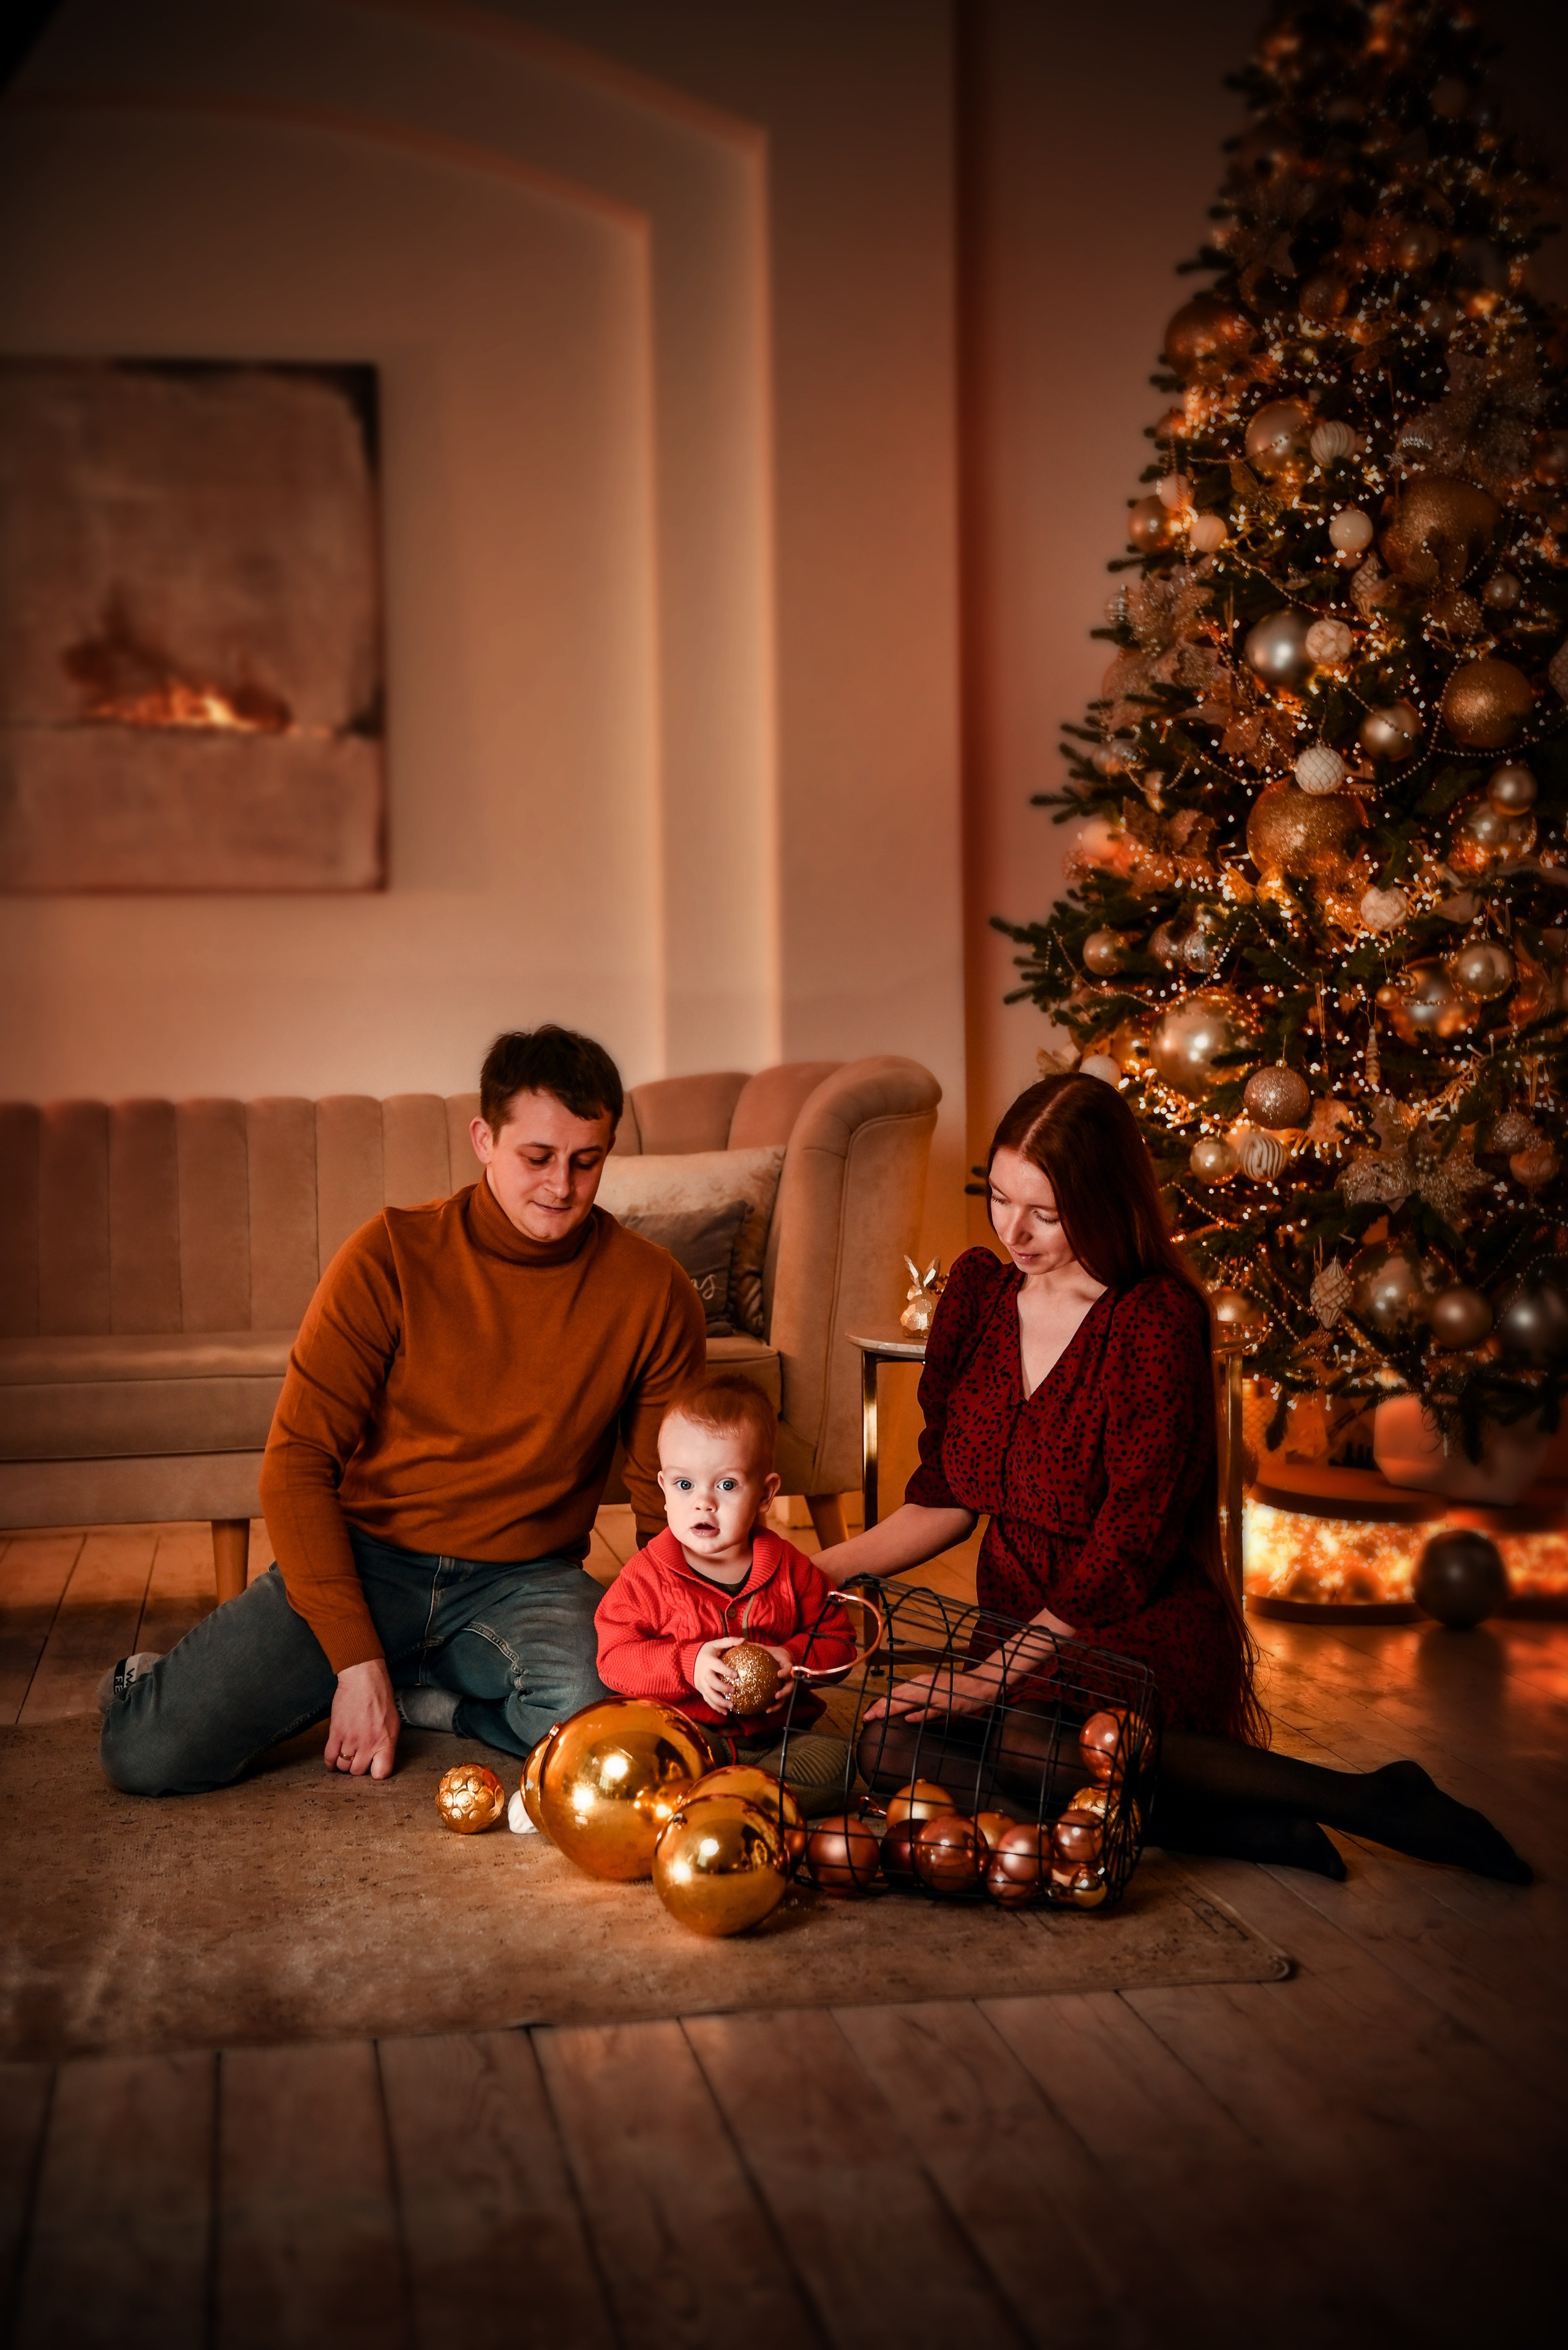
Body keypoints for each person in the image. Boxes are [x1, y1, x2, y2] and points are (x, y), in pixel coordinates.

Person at [827, 1074, 1531, 1885]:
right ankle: (1241, 1827)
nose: (1014, 1231)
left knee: (1024, 1746)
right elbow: (947, 1496)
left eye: (1045, 1214)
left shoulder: (1153, 1320)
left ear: (1101, 1202)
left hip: (1134, 1626)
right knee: (882, 1744)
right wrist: (817, 1570)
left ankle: (1365, 1798)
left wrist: (986, 1678)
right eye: (1000, 1198)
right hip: (1017, 1626)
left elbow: (1130, 1546)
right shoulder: (978, 1298)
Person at [98, 1025, 706, 1795]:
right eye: (538, 1158)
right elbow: (297, 1465)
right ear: (484, 1139)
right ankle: (160, 1681)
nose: (562, 1185)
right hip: (369, 1561)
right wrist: (354, 1660)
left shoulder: (654, 1291)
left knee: (614, 1717)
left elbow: (666, 1483)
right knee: (148, 1756)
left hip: (525, 1584)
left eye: (587, 1162)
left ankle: (433, 1704)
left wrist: (683, 1635)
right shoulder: (388, 1255)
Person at [595, 1373, 858, 1811]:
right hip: (689, 1737)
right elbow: (613, 1658)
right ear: (663, 1490)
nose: (704, 1502)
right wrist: (687, 1664)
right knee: (633, 1758)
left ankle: (725, 1796)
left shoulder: (793, 1570)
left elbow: (840, 1641)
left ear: (765, 1493)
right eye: (684, 1485)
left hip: (778, 1740)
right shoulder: (646, 1576)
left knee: (838, 1768)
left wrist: (795, 1661)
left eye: (727, 1485)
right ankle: (739, 1797)